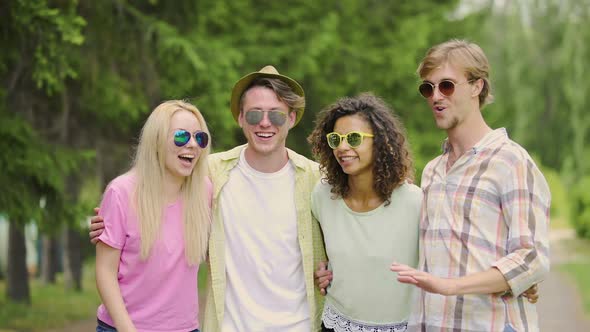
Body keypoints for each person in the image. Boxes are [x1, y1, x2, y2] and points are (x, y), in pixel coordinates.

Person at [90, 66, 326, 331]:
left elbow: (345, 231)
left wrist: (334, 272)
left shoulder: (316, 180)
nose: (265, 122)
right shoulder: (214, 174)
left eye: (277, 115)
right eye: (255, 113)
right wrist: (109, 226)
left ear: (292, 119)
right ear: (240, 118)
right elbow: (148, 196)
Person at [390, 39, 551, 331]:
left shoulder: (510, 161)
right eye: (428, 88)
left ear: (477, 86)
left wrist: (453, 286)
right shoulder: (432, 171)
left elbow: (532, 258)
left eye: (447, 85)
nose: (435, 96)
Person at [94, 100, 212, 332]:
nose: (192, 145)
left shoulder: (205, 191)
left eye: (200, 138)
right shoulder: (122, 192)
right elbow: (105, 271)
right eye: (181, 136)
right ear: (157, 140)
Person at [307, 93, 422, 332]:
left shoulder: (414, 202)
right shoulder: (323, 195)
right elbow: (325, 254)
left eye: (354, 138)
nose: (342, 147)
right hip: (336, 325)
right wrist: (322, 269)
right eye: (335, 139)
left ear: (379, 141)